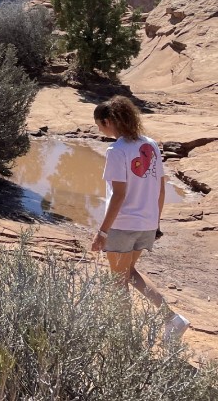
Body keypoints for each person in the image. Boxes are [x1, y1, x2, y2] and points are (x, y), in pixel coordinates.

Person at [92, 95, 189, 342]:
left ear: (108, 121)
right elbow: (161, 188)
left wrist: (102, 232)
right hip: (146, 222)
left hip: (123, 225)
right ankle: (172, 319)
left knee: (117, 280)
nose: (99, 130)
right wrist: (155, 223)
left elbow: (119, 196)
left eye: (99, 125)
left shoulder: (116, 150)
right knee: (128, 272)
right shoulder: (152, 145)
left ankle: (123, 338)